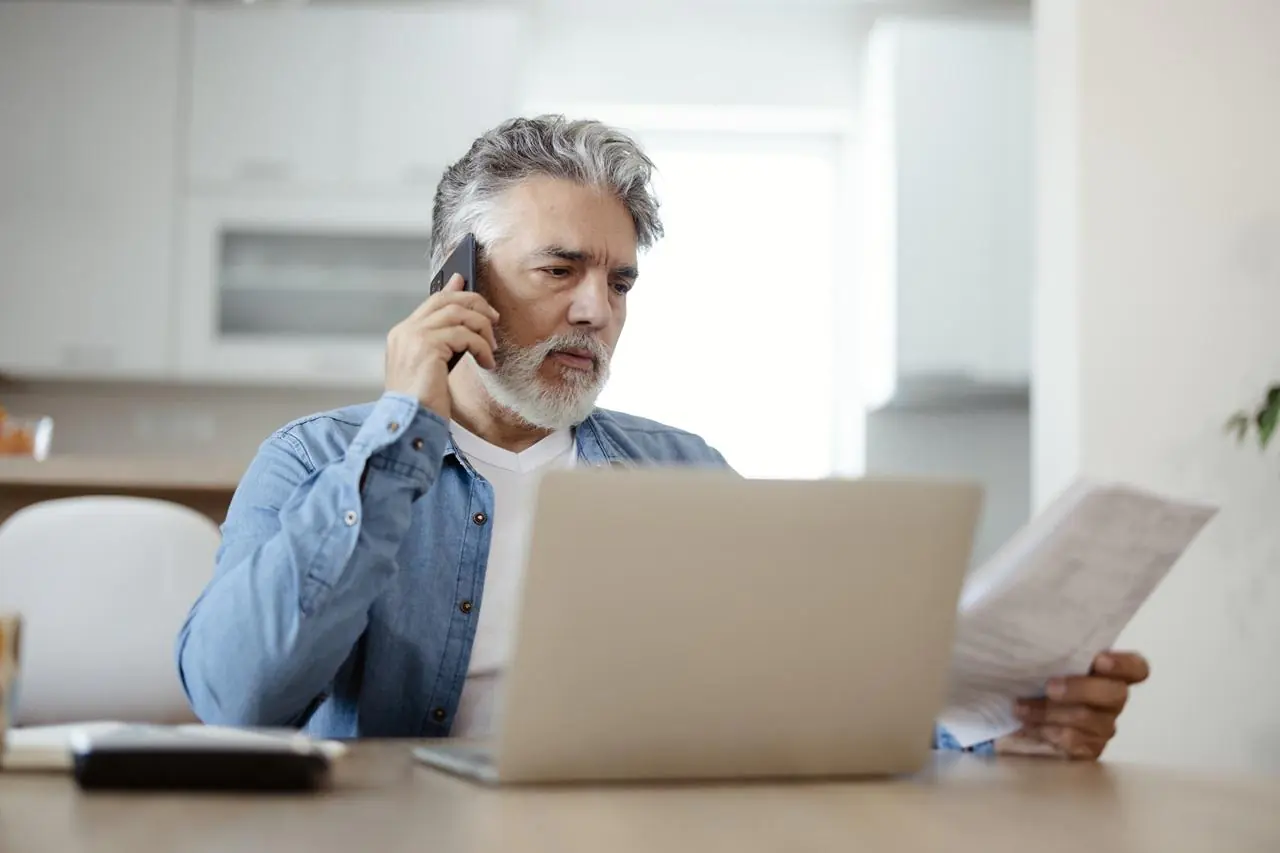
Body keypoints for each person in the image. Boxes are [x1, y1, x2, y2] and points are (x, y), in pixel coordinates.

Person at [176, 115, 1148, 759]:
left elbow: (805, 701)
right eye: (560, 269)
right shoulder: (314, 461)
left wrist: (1003, 735)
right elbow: (235, 696)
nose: (597, 311)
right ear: (456, 282)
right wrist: (401, 432)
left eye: (621, 280)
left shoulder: (683, 469)